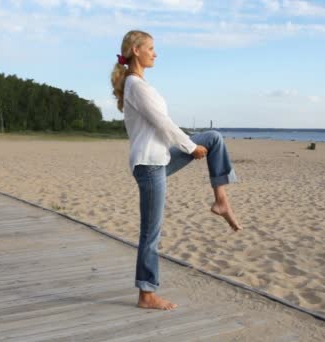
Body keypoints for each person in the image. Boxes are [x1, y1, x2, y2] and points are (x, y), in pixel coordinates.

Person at [110, 30, 243, 311]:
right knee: (151, 232)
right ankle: (146, 294)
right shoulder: (135, 85)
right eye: (151, 48)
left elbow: (163, 123)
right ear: (136, 50)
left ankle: (221, 201)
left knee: (213, 138)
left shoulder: (140, 84)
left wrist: (192, 145)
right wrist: (189, 147)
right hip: (149, 165)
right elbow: (162, 123)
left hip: (159, 158)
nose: (155, 53)